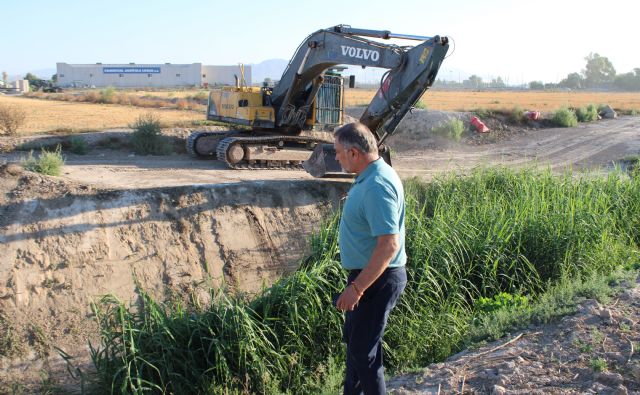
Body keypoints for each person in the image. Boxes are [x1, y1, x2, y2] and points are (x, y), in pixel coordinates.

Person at [334, 122, 407, 395]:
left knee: (364, 354)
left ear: (354, 153)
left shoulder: (377, 184)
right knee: (356, 348)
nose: (336, 157)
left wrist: (357, 288)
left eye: (338, 152)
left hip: (376, 279)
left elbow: (388, 245)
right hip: (369, 276)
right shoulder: (370, 175)